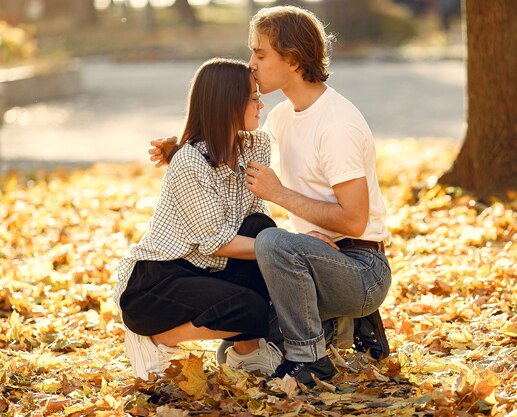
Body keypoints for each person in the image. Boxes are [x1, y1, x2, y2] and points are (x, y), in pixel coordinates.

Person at [150, 6, 392, 387]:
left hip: (360, 267)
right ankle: (339, 323)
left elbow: (353, 221)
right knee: (237, 341)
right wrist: (181, 149)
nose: (251, 65)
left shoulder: (337, 125)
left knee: (271, 240)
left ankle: (312, 360)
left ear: (293, 60)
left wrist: (280, 194)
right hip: (311, 261)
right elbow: (225, 148)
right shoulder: (281, 116)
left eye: (260, 55)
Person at [112, 58, 283, 381]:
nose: (261, 103)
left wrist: (278, 242)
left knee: (262, 227)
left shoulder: (257, 145)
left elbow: (255, 214)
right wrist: (290, 246)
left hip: (209, 270)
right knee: (252, 307)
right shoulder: (189, 162)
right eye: (252, 97)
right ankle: (156, 338)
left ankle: (247, 353)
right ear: (227, 103)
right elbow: (216, 242)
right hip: (158, 283)